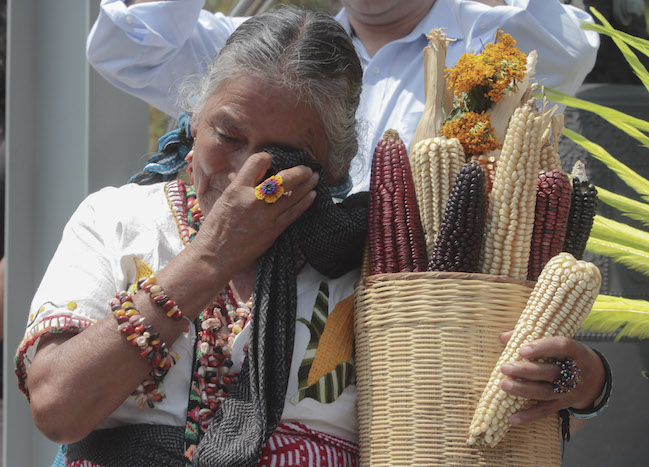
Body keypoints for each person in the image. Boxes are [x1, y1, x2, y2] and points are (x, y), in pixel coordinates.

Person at [18, 8, 607, 467]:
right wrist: (211, 255)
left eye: (279, 157)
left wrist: (579, 382)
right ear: (195, 116)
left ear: (333, 164)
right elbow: (58, 408)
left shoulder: (380, 260)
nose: (242, 172)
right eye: (226, 134)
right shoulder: (118, 220)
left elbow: (482, 411)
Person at [86, 0, 600, 193]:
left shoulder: (496, 39)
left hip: (424, 331)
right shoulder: (270, 53)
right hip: (286, 337)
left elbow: (569, 47)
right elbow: (127, 49)